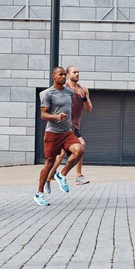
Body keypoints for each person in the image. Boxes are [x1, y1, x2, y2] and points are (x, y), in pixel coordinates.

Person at [35, 67, 84, 206]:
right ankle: (39, 193)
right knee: (49, 163)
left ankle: (61, 175)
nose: (63, 77)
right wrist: (56, 116)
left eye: (64, 74)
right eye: (60, 75)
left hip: (67, 132)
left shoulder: (69, 92)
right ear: (54, 77)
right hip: (52, 133)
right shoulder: (48, 94)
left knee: (79, 150)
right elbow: (43, 115)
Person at [45, 66, 92, 194]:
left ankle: (48, 179)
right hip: (66, 125)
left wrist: (84, 98)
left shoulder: (83, 90)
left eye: (78, 72)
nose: (77, 74)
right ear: (67, 74)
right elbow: (45, 95)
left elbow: (89, 109)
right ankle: (78, 176)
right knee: (81, 144)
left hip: (76, 125)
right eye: (74, 72)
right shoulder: (64, 89)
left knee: (60, 155)